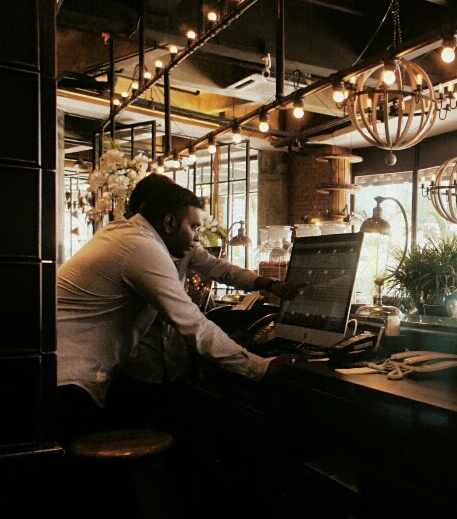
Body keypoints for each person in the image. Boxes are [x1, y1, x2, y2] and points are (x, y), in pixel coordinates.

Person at [56, 174, 296, 442]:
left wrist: (268, 284)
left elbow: (217, 268)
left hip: (61, 367)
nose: (197, 237)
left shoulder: (128, 234)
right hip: (70, 377)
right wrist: (259, 367)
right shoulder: (142, 247)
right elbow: (193, 323)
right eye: (193, 227)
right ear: (168, 221)